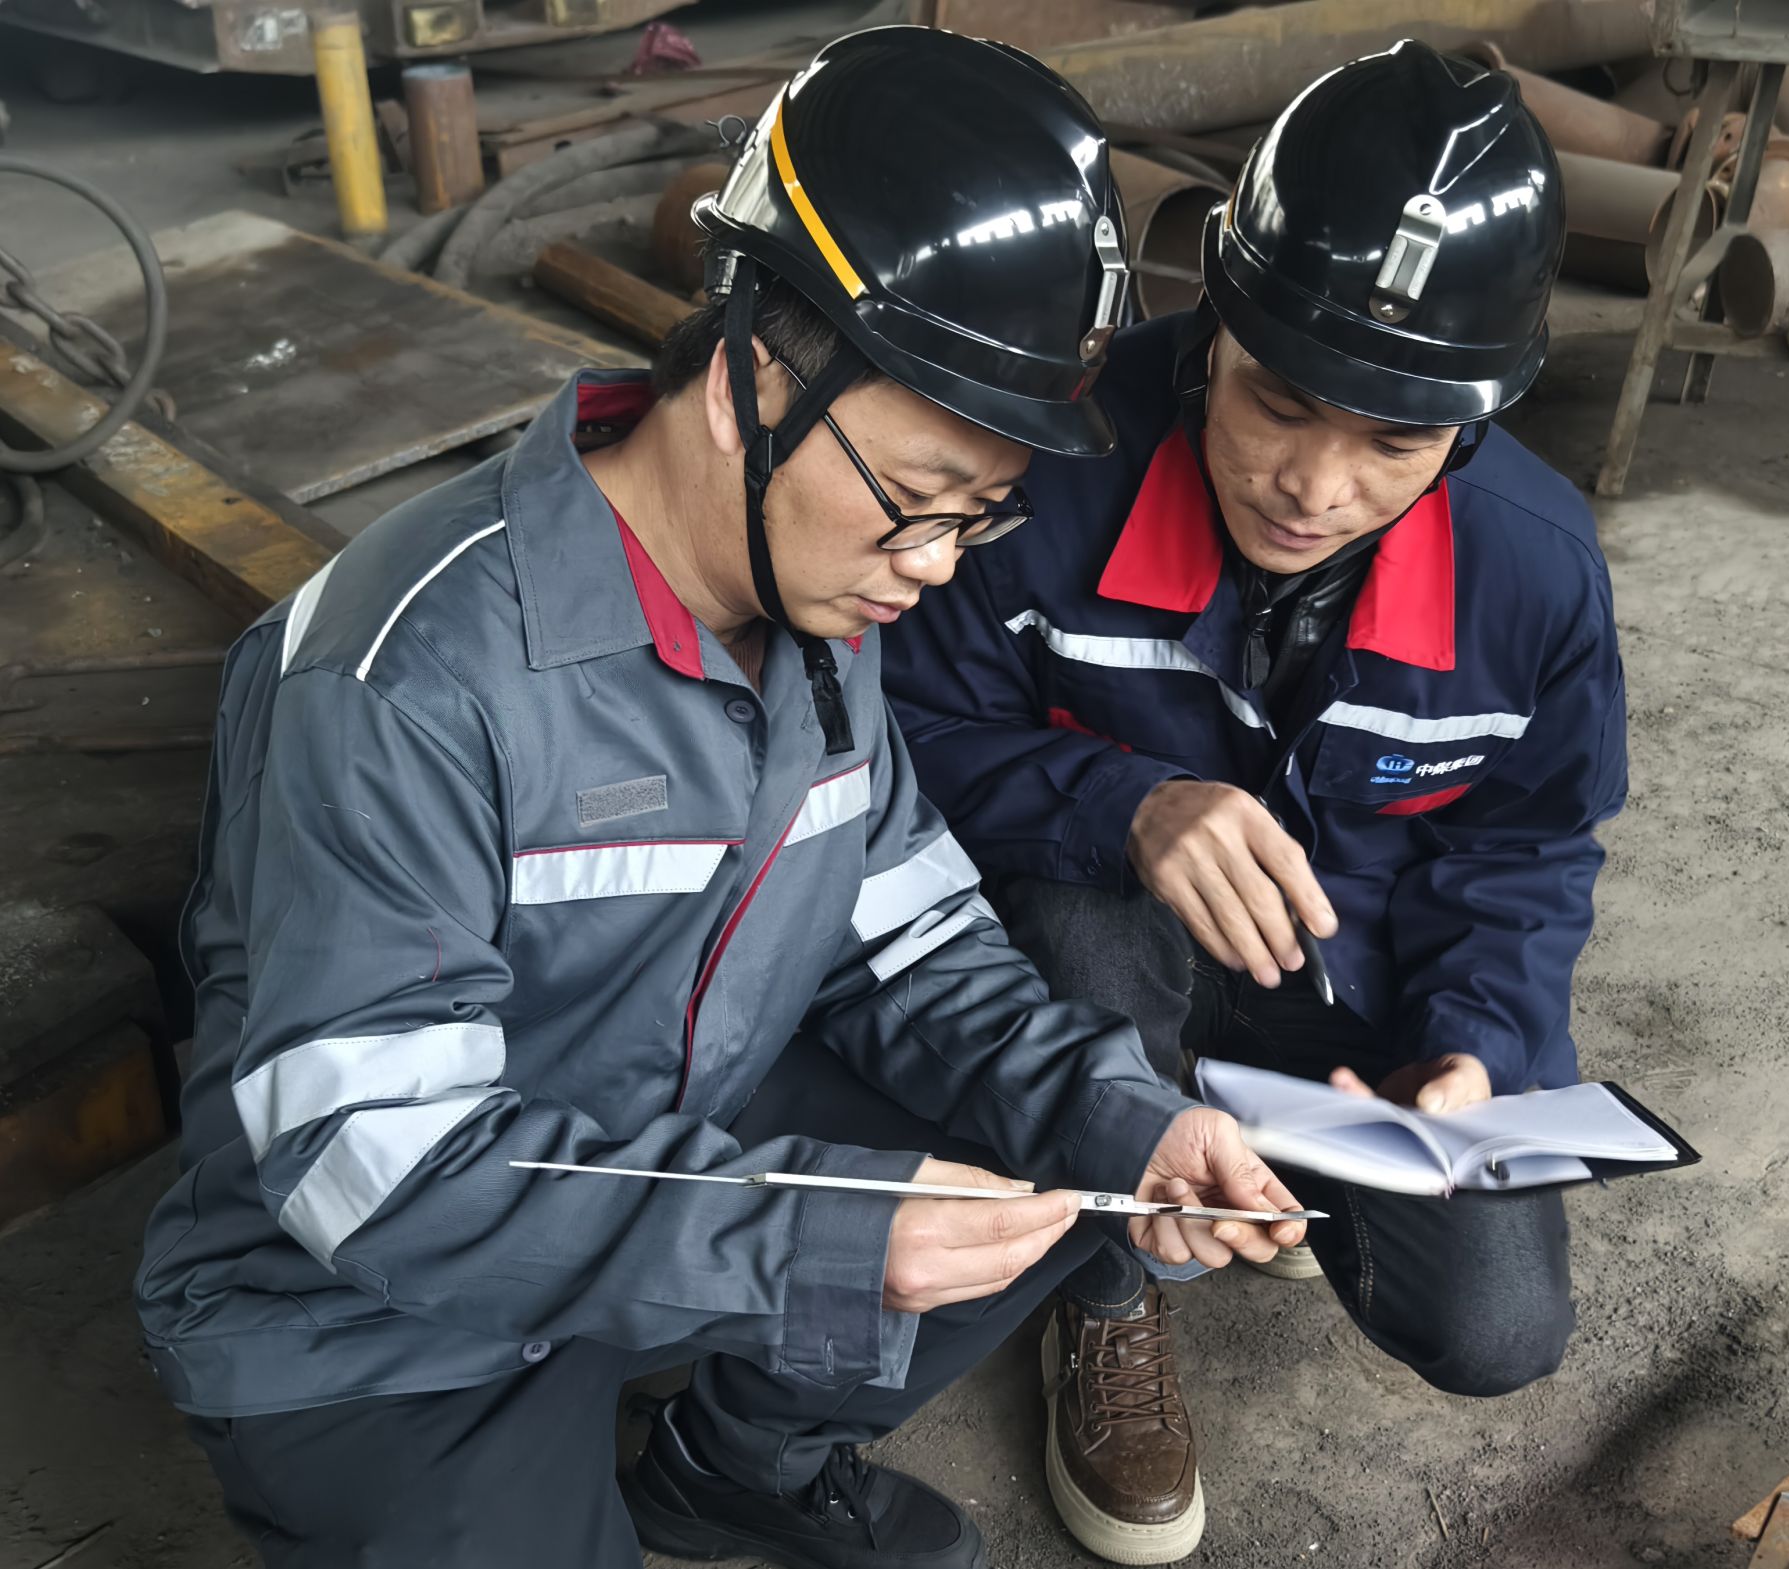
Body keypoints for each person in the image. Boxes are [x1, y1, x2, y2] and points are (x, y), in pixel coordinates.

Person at [132, 28, 1310, 1569]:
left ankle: (742, 1463)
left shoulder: (823, 607)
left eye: (979, 515)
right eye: (915, 500)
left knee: (1050, 1150)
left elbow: (914, 944)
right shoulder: (406, 675)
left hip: (666, 1153)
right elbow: (376, 1165)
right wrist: (811, 1234)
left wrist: (1127, 1119)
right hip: (373, 1307)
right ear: (754, 375)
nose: (935, 566)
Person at [883, 39, 1630, 1565]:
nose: (1314, 483)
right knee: (1079, 927)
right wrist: (1121, 801)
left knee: (1496, 1328)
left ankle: (1286, 1145)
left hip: (1354, 986)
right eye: (1279, 401)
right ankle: (1105, 1286)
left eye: (1394, 442)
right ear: (1211, 317)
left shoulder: (1538, 576)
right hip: (1108, 960)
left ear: (1475, 423)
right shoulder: (1043, 476)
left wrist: (1477, 1050)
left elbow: (1531, 843)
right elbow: (899, 736)